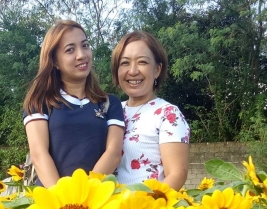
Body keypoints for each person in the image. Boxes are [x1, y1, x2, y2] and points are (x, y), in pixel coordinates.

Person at [23, 20, 125, 188]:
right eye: (70, 50)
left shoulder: (109, 103)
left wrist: (86, 195)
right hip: (53, 201)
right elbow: (39, 155)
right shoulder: (40, 102)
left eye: (85, 45)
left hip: (96, 199)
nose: (81, 54)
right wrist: (62, 200)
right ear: (54, 61)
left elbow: (113, 154)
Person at [111, 31, 190, 188]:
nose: (133, 71)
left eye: (142, 62)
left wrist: (146, 206)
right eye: (125, 63)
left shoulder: (168, 114)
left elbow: (176, 175)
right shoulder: (111, 110)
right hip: (108, 208)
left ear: (157, 70)